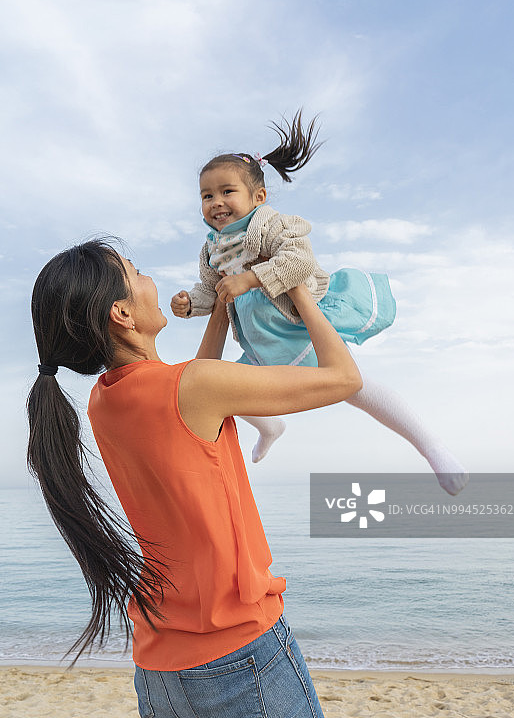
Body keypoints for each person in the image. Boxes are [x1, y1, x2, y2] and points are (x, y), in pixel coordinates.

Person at [27, 238, 362, 718]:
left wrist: (221, 307)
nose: (150, 280)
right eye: (136, 272)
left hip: (160, 666)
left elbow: (190, 386)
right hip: (240, 653)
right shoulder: (191, 388)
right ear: (122, 313)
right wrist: (295, 285)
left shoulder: (104, 401)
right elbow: (344, 378)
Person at [171, 110, 468, 496]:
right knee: (222, 385)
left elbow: (300, 261)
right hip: (258, 341)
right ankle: (270, 426)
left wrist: (251, 278)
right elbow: (211, 291)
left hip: (295, 328)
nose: (216, 202)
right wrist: (190, 303)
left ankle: (432, 448)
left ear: (258, 197)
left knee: (357, 389)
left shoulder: (272, 225)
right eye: (207, 196)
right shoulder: (211, 248)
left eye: (227, 192)